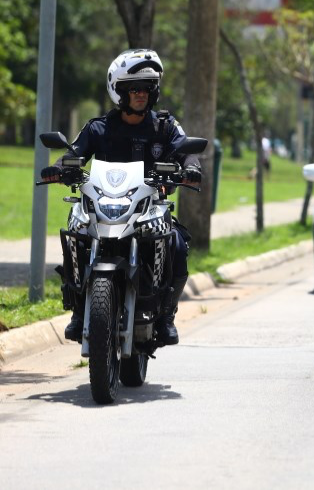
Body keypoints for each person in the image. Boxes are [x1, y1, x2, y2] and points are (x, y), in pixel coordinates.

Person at [41, 49, 202, 345]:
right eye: (134, 89)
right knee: (75, 233)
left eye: (147, 89)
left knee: (177, 244)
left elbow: (187, 150)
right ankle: (78, 311)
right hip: (103, 207)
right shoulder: (98, 128)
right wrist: (58, 168)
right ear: (119, 92)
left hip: (149, 209)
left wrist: (190, 168)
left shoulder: (164, 126)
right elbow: (73, 154)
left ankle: (166, 316)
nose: (141, 94)